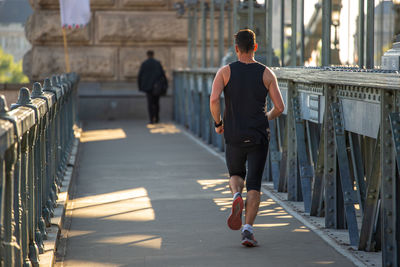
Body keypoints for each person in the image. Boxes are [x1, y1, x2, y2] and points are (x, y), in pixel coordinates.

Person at [210, 29, 285, 247]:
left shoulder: (225, 72)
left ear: (236, 49)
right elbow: (279, 107)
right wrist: (266, 116)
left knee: (235, 174)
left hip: (233, 133)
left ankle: (235, 196)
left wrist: (218, 124)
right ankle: (248, 230)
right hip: (258, 135)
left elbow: (214, 99)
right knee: (254, 184)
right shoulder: (266, 73)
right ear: (255, 48)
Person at [138, 50, 167, 124]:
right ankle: (157, 118)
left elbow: (140, 76)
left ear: (147, 55)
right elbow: (163, 75)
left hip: (148, 87)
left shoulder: (144, 64)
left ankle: (151, 119)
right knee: (156, 103)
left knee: (150, 103)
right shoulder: (157, 63)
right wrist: (165, 86)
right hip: (157, 87)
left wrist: (140, 86)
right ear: (153, 55)